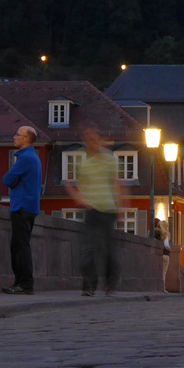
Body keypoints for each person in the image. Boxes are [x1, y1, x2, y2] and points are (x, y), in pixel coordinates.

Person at [68, 125, 119, 296]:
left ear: (97, 140)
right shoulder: (83, 162)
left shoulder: (109, 159)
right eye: (87, 140)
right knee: (88, 248)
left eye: (93, 139)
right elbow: (78, 184)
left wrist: (120, 205)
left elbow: (116, 183)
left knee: (107, 249)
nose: (90, 143)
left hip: (108, 208)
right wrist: (78, 196)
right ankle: (89, 285)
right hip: (91, 209)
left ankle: (110, 283)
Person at [1, 125, 41, 294]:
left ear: (26, 139)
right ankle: (21, 283)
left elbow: (7, 179)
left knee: (20, 247)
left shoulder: (26, 158)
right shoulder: (32, 157)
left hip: (22, 206)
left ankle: (24, 284)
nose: (14, 137)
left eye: (17, 134)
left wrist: (13, 181)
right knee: (19, 245)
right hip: (29, 206)